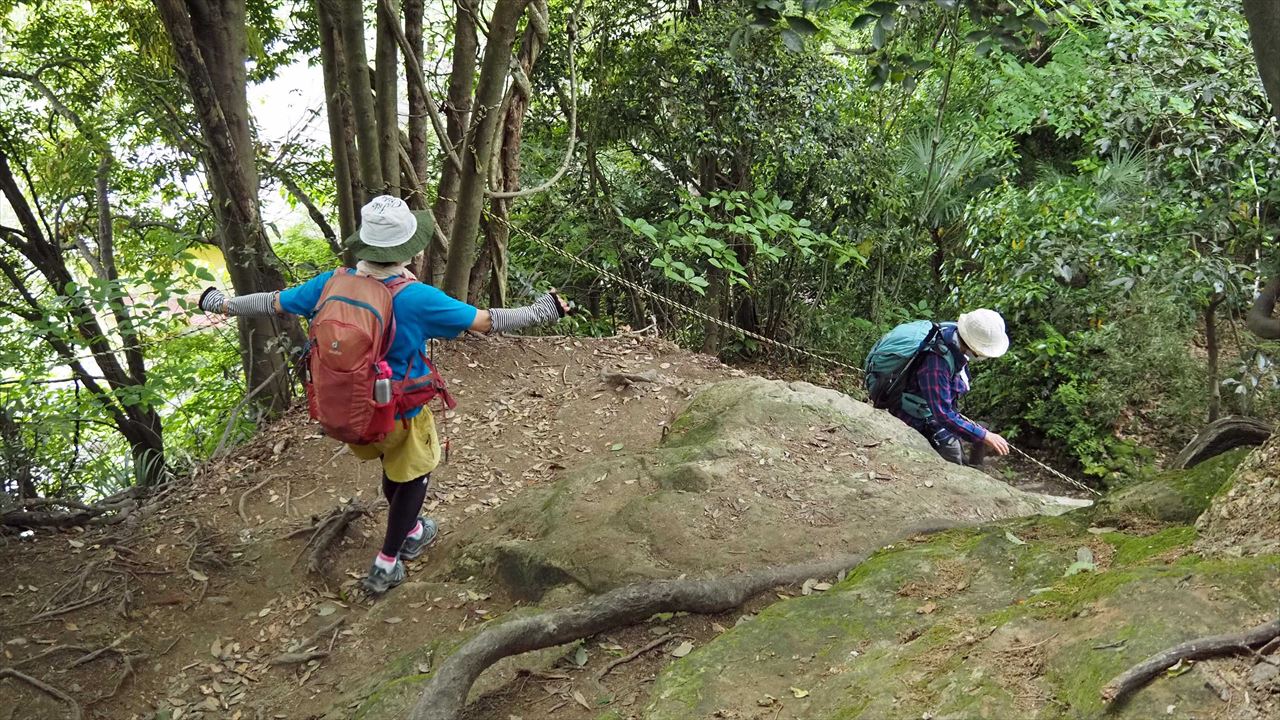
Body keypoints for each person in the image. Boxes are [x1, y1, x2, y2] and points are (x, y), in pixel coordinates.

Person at [198, 195, 570, 594]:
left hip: (349, 410)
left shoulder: (331, 283)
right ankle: (388, 561)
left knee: (394, 469)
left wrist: (222, 304)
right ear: (409, 248)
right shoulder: (416, 297)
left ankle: (409, 529)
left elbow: (273, 302)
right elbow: (485, 321)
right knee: (414, 475)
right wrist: (543, 310)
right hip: (399, 412)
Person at [889, 309, 1011, 466]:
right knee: (952, 453)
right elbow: (943, 415)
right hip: (912, 410)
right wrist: (984, 435)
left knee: (957, 446)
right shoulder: (936, 362)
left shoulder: (952, 334)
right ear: (973, 347)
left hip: (926, 402)